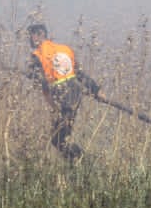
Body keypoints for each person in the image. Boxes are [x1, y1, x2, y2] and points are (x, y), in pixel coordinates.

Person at [26, 23, 102, 163]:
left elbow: (41, 83)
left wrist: (31, 74)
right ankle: (78, 164)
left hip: (62, 98)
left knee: (58, 140)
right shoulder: (65, 49)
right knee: (59, 138)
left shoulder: (37, 55)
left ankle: (86, 163)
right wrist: (95, 89)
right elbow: (78, 73)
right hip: (75, 94)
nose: (29, 39)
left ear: (39, 35)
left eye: (30, 35)